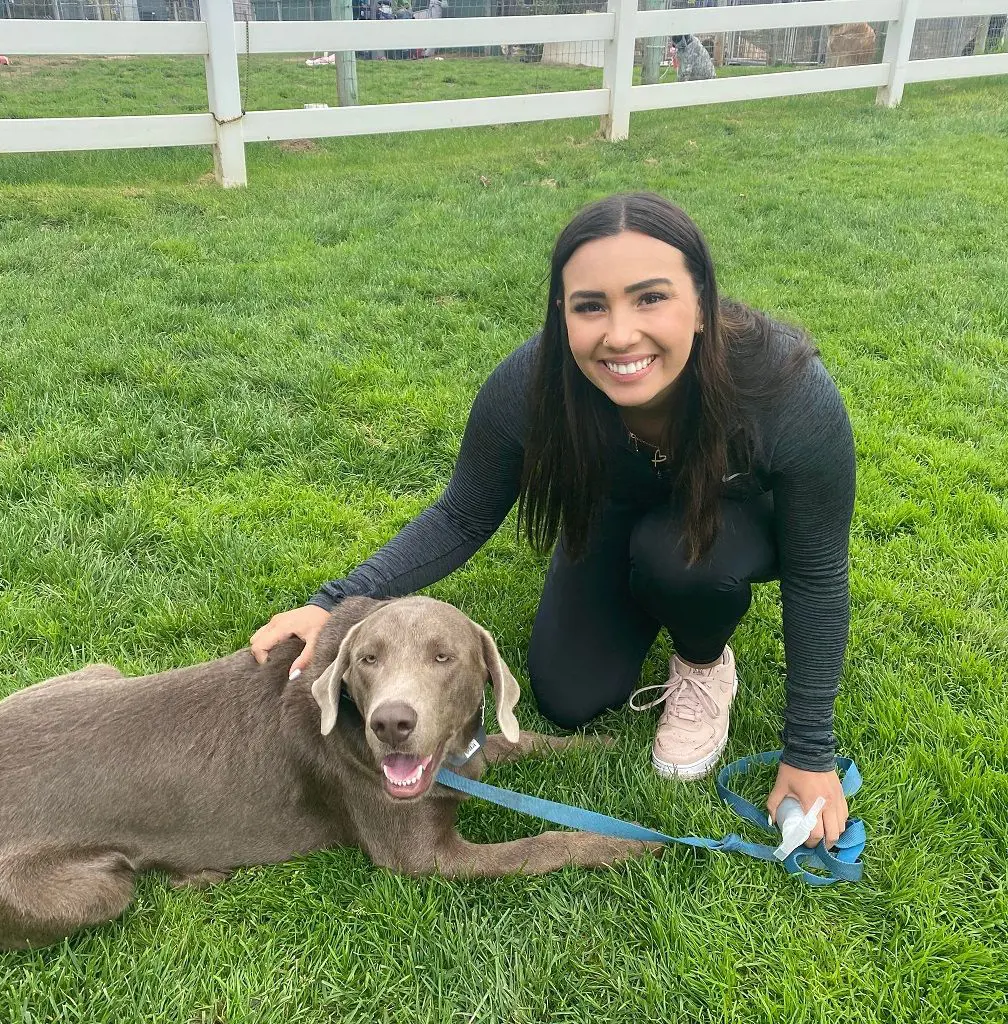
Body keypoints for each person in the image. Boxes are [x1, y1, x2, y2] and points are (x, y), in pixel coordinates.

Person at [251, 193, 855, 849]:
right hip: (611, 519)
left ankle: (703, 660)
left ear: (703, 306)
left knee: (684, 562)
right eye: (591, 306)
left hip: (719, 534)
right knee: (569, 694)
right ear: (562, 314)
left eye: (651, 298)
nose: (619, 334)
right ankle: (639, 587)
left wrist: (809, 752)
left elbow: (818, 573)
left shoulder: (786, 388)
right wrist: (334, 601)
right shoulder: (533, 383)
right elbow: (460, 514)